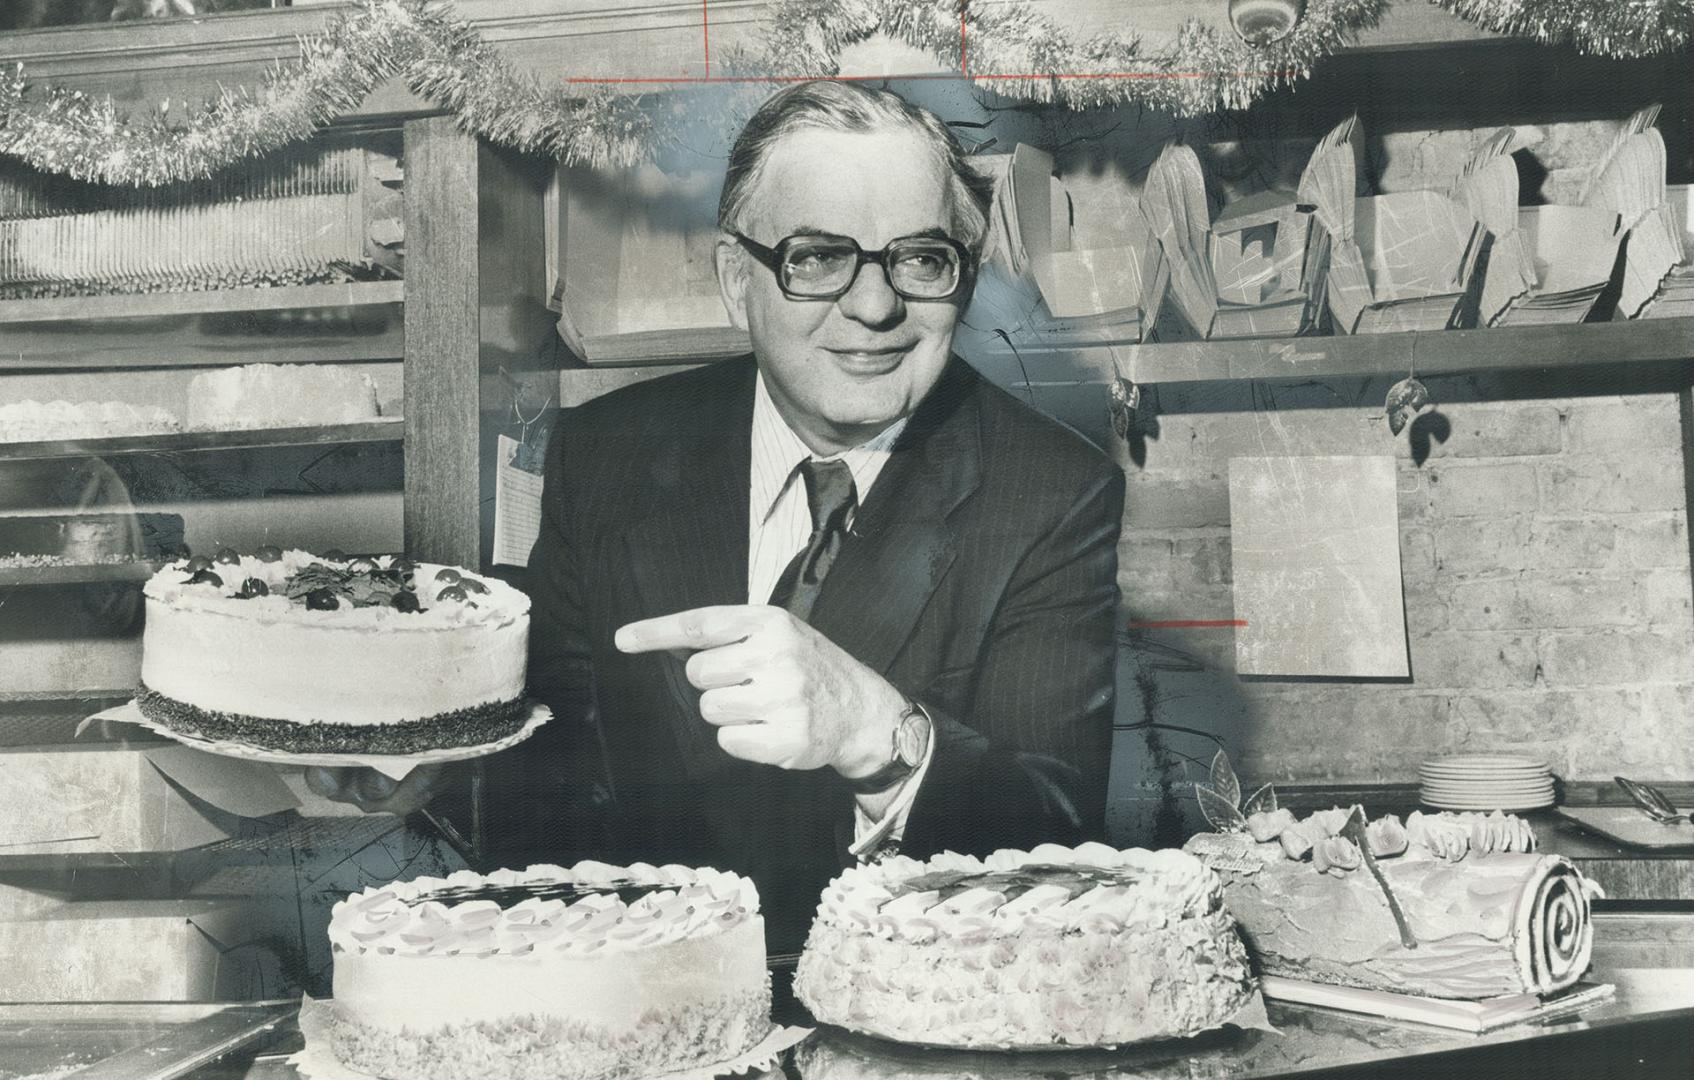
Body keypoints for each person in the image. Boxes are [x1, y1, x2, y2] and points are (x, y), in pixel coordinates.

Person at [312, 80, 1125, 953]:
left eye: (922, 258)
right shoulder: (608, 448)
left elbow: (1059, 844)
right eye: (817, 258)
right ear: (738, 281)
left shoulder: (1053, 488)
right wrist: (433, 761)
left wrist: (880, 735)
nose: (877, 306)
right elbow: (555, 751)